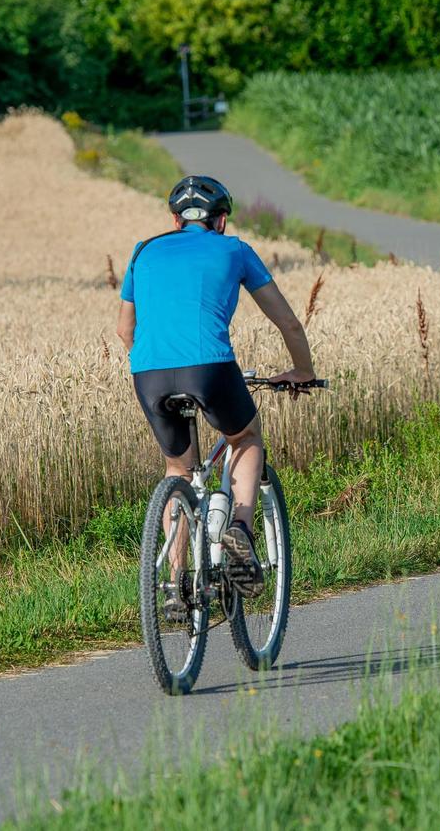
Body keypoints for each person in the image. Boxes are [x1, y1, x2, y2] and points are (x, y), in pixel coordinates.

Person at [116, 175, 315, 600]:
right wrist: (302, 370)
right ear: (221, 220)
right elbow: (289, 322)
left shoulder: (143, 251)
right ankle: (240, 527)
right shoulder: (235, 250)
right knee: (244, 436)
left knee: (178, 470)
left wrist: (159, 359)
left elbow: (123, 329)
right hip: (209, 366)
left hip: (147, 372)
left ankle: (174, 583)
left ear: (175, 220)